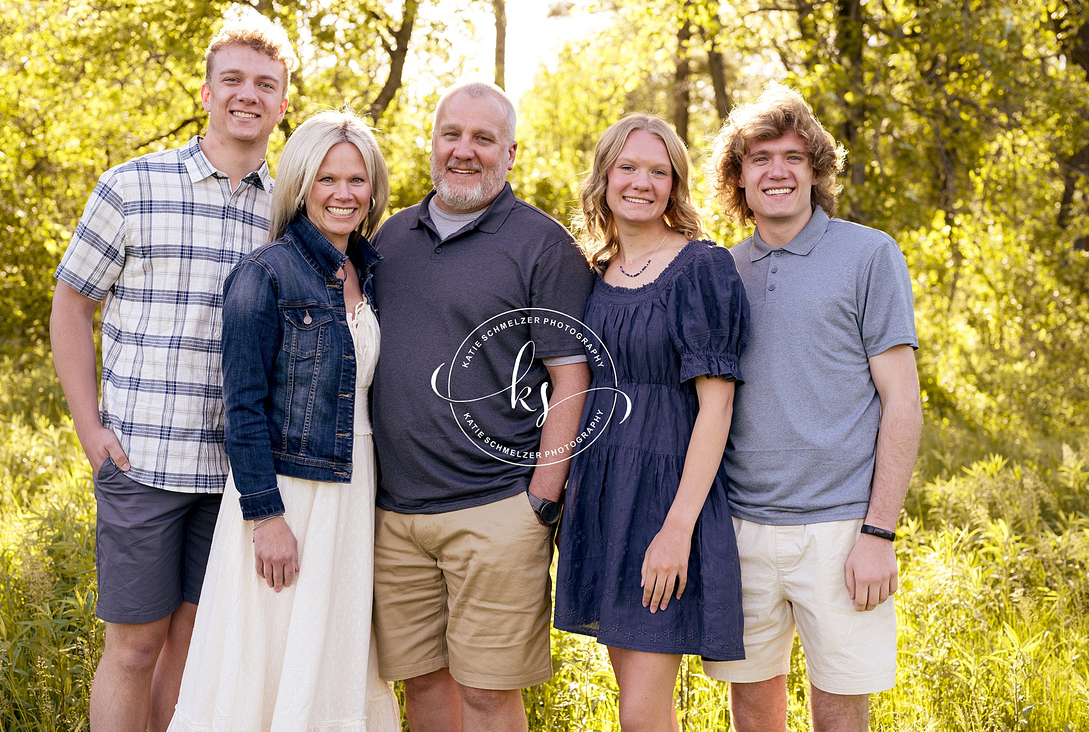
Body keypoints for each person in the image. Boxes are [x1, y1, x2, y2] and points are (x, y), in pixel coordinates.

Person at [48, 9, 295, 731]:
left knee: (190, 651)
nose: (247, 94)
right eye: (233, 80)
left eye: (265, 84)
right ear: (206, 91)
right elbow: (70, 305)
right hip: (143, 461)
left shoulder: (288, 212)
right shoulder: (132, 186)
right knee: (132, 649)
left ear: (284, 103)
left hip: (234, 478)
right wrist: (89, 428)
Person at [369, 80, 594, 732]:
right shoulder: (390, 240)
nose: (463, 151)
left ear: (511, 153)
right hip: (394, 516)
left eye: (482, 138)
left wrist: (541, 498)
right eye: (451, 134)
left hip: (496, 509)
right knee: (423, 685)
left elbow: (571, 376)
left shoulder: (542, 246)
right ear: (433, 141)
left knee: (491, 696)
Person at [167, 109, 400, 731]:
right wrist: (266, 516)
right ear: (300, 185)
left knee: (334, 653)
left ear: (373, 189)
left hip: (354, 492)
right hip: (288, 496)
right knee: (267, 659)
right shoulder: (264, 273)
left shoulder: (369, 270)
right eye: (327, 179)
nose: (343, 194)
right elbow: (241, 407)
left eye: (357, 180)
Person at [703, 84, 924, 732]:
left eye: (794, 157)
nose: (777, 171)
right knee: (751, 706)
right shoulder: (720, 271)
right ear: (738, 177)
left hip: (842, 529)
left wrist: (879, 534)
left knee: (839, 711)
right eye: (760, 157)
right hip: (741, 526)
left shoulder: (868, 254)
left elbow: (903, 402)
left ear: (816, 170)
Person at [554, 114, 750, 731]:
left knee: (641, 712)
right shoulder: (592, 270)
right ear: (605, 176)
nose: (641, 182)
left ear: (675, 185)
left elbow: (716, 408)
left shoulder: (701, 269)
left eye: (658, 171)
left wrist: (677, 530)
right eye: (628, 167)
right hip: (603, 493)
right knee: (637, 701)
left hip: (666, 499)